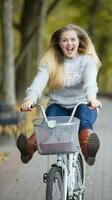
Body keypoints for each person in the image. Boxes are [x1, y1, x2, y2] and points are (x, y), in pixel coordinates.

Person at [16, 24, 102, 166]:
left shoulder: (88, 61)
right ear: (59, 43)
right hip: (58, 104)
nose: (69, 44)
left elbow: (90, 83)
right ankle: (28, 148)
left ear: (79, 41)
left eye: (73, 39)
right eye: (64, 40)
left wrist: (91, 98)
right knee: (48, 124)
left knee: (85, 122)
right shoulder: (50, 61)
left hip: (83, 103)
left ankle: (89, 151)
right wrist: (30, 99)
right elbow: (38, 83)